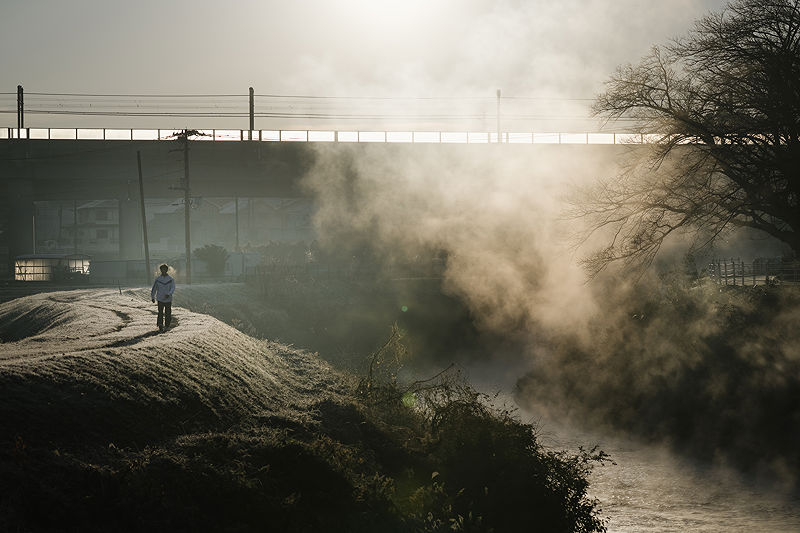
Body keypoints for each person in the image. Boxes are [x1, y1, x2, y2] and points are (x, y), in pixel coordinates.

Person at [151, 264, 175, 332]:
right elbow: (154, 289)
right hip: (160, 299)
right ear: (161, 270)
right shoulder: (158, 279)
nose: (163, 270)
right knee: (160, 312)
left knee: (168, 313)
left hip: (168, 299)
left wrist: (169, 294)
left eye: (165, 269)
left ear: (167, 270)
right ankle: (160, 324)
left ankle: (167, 325)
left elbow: (173, 288)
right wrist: (153, 297)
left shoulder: (170, 279)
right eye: (162, 269)